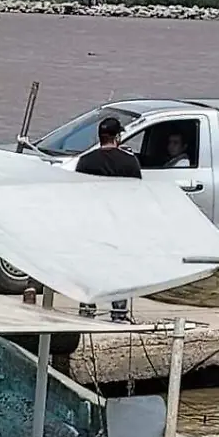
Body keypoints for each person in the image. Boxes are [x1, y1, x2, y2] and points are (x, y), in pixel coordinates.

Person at [75, 116, 141, 322]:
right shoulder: (129, 161)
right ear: (118, 136)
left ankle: (87, 308)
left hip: (93, 222)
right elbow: (137, 192)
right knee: (118, 266)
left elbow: (77, 192)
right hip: (119, 221)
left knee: (91, 265)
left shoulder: (85, 161)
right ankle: (119, 312)